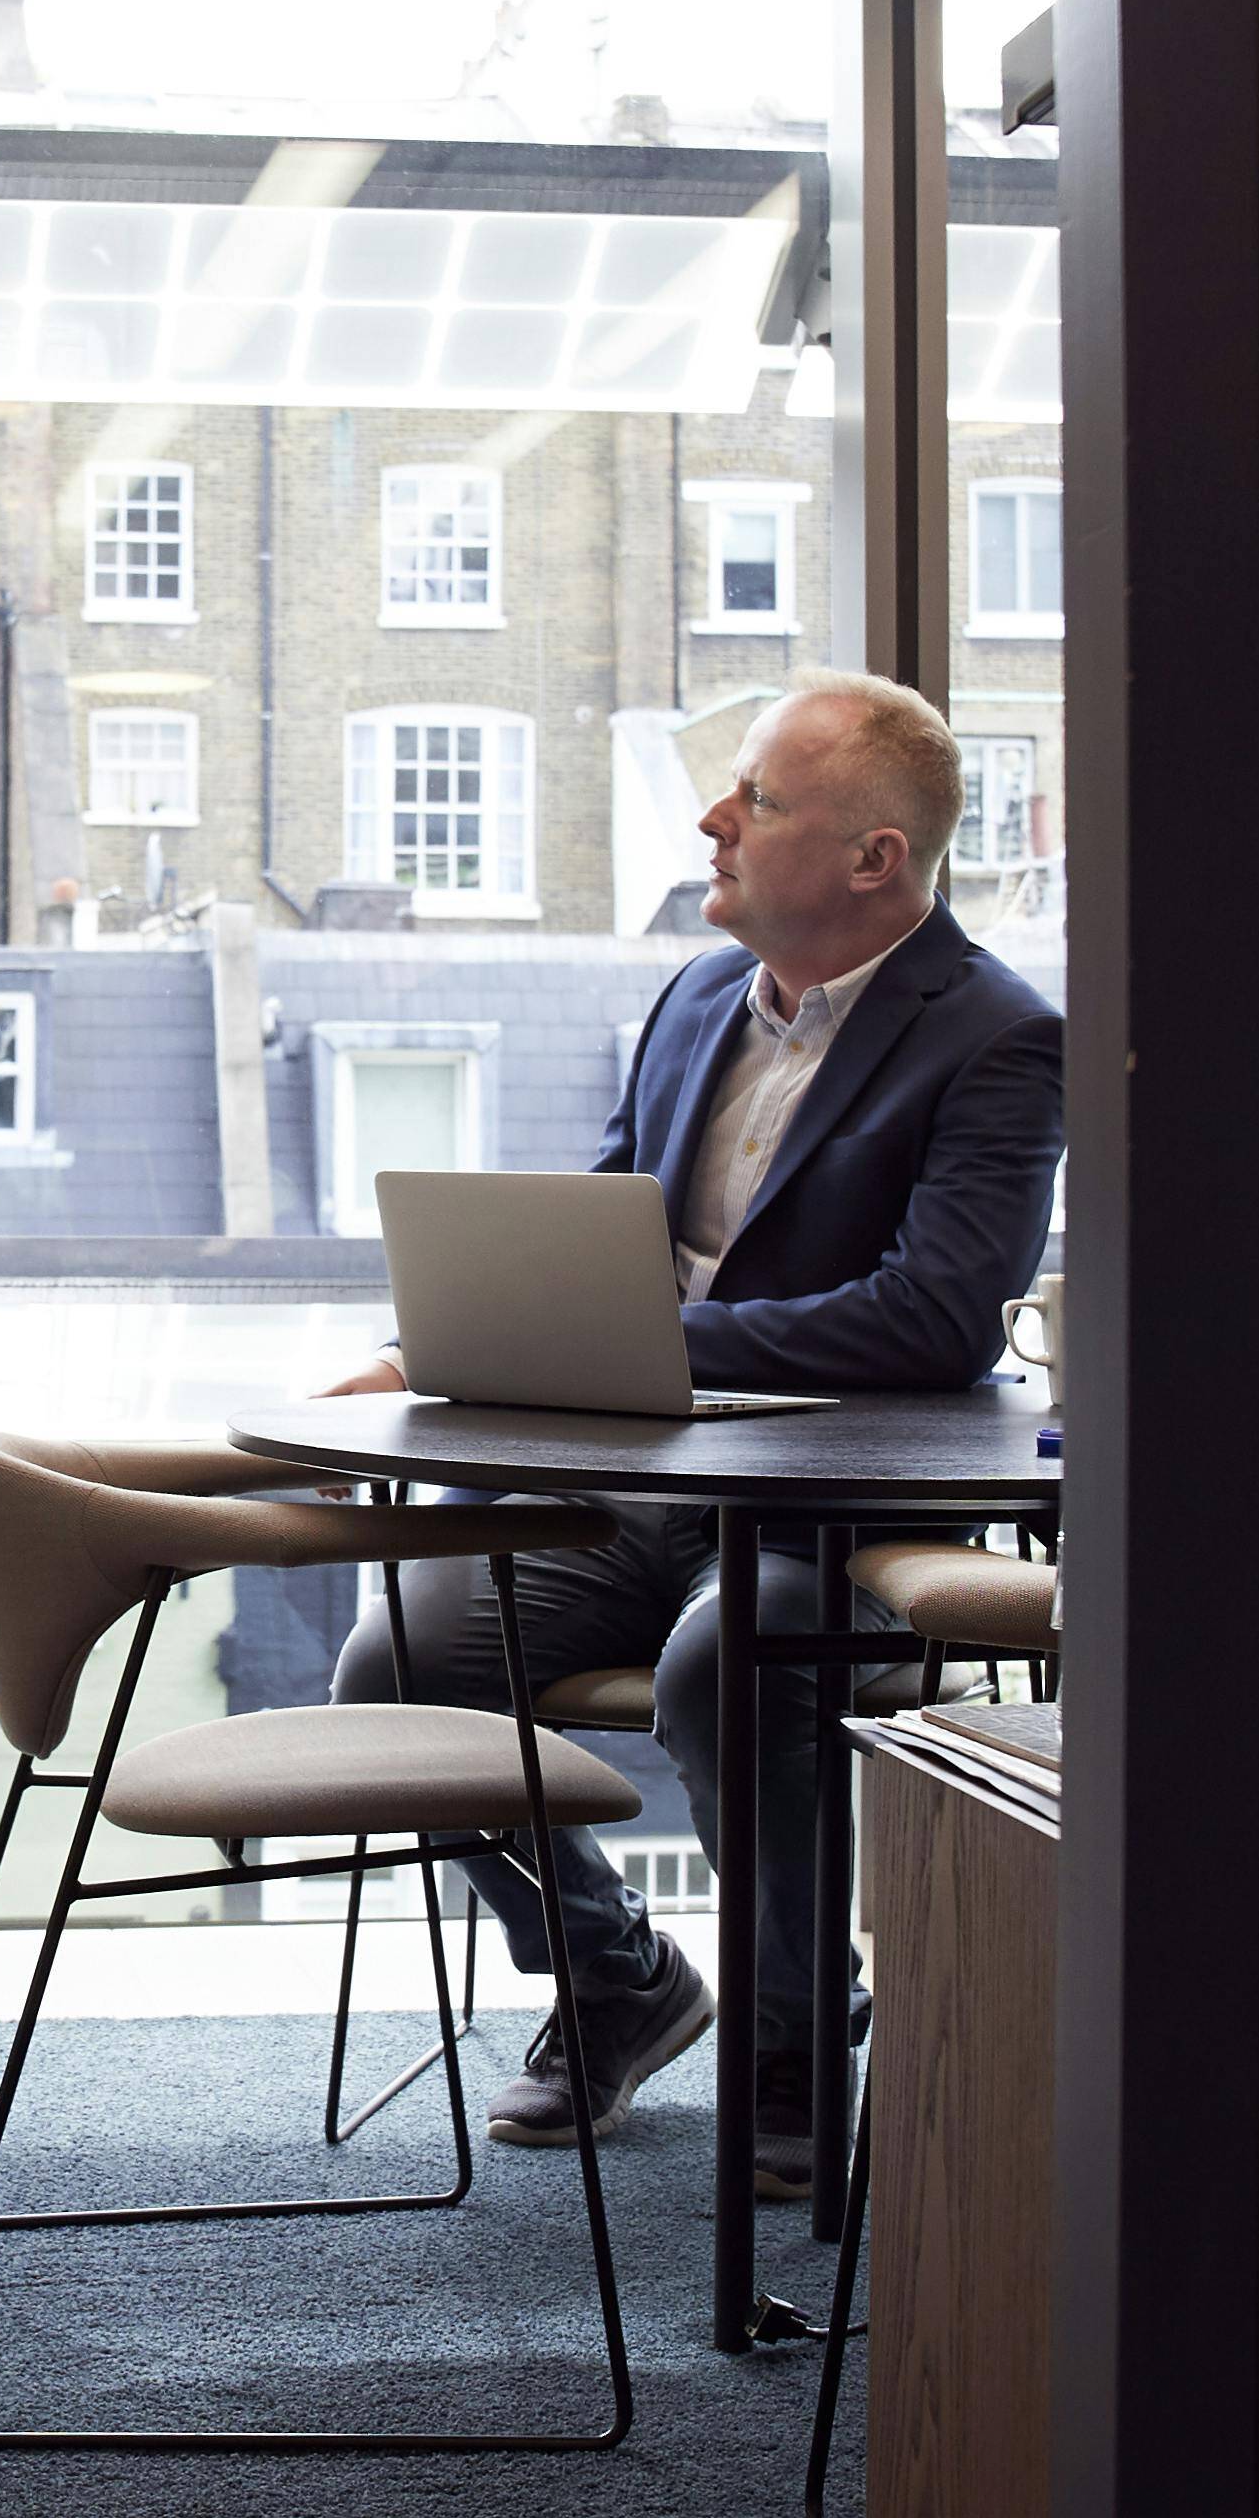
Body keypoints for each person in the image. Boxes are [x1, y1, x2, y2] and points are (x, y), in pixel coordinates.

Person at [324, 672, 1057, 2194]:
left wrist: (645, 1344)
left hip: (837, 1515)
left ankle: (795, 2038)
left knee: (727, 1670)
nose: (715, 822)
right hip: (642, 1490)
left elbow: (929, 1317)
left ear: (874, 859)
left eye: (760, 801)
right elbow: (602, 1236)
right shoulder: (690, 1004)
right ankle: (614, 1973)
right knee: (400, 1664)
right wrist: (438, 1342)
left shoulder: (997, 1037)